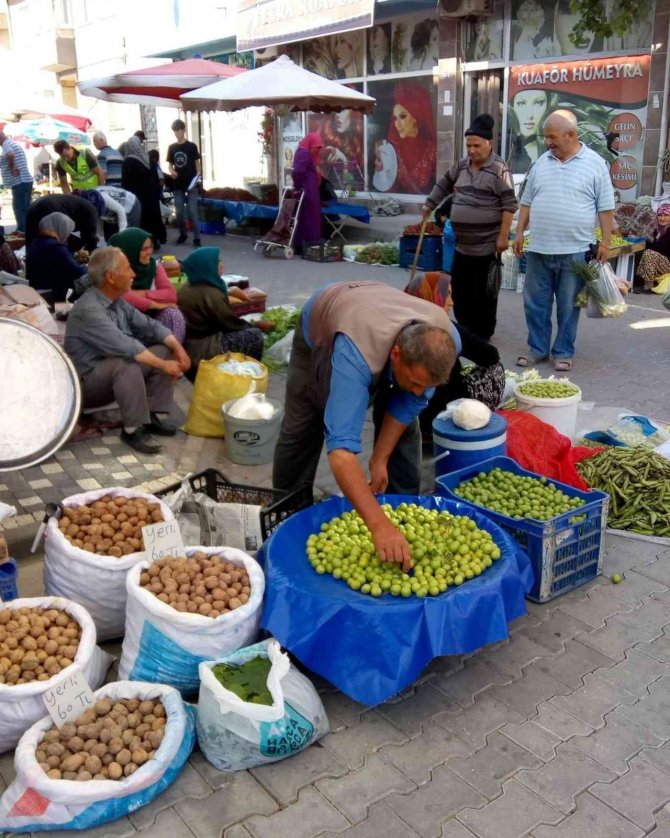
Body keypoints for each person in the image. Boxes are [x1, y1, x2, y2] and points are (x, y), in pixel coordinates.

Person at [273, 281, 459, 570]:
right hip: (326, 324)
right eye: (417, 382)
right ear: (395, 355)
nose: (421, 392)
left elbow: (408, 404)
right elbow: (341, 453)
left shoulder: (445, 341)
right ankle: (287, 516)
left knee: (404, 428)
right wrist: (378, 527)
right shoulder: (354, 354)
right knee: (304, 424)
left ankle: (403, 509)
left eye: (428, 386)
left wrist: (379, 459)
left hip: (379, 319)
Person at [513, 110, 615, 372]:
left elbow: (605, 208)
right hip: (539, 249)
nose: (548, 142)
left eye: (553, 137)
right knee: (535, 303)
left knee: (568, 306)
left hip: (575, 251)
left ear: (571, 134)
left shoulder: (595, 164)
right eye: (546, 137)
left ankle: (563, 351)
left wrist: (606, 243)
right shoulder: (541, 163)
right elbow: (526, 202)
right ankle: (537, 348)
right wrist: (519, 233)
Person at [64, 246, 191, 454]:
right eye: (128, 268)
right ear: (111, 277)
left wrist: (179, 349)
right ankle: (132, 429)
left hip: (112, 375)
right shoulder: (88, 310)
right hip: (87, 386)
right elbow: (126, 346)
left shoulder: (118, 302)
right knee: (127, 362)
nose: (133, 274)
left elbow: (151, 326)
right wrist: (163, 366)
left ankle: (151, 415)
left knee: (163, 349)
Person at [423, 114, 517, 340]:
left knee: (483, 293)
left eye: (477, 145)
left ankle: (483, 333)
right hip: (461, 244)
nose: (472, 150)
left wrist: (503, 236)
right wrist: (430, 203)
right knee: (461, 289)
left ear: (489, 144)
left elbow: (509, 205)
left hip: (486, 246)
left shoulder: (499, 170)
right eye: (468, 145)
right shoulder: (462, 165)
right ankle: (464, 329)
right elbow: (444, 183)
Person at [405, 272, 505, 444]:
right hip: (446, 415)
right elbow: (490, 355)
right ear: (433, 296)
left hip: (406, 415)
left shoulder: (400, 323)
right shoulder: (446, 329)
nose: (451, 302)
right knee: (495, 367)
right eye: (447, 295)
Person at [177, 247, 272, 379]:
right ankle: (247, 373)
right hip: (201, 349)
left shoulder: (189, 286)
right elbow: (230, 324)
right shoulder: (211, 294)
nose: (222, 265)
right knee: (254, 335)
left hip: (189, 344)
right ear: (207, 266)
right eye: (217, 262)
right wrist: (257, 325)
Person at [108, 227, 186, 343]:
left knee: (173, 314)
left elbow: (171, 295)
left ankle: (174, 353)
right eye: (144, 249)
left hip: (150, 319)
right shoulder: (113, 269)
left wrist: (141, 293)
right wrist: (154, 304)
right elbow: (122, 296)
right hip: (123, 322)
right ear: (131, 250)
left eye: (150, 247)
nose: (149, 252)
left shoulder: (154, 266)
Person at [25, 212, 87, 303]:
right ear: (60, 228)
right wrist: (89, 267)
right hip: (54, 295)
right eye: (67, 231)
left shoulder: (37, 242)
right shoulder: (56, 247)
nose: (68, 235)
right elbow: (77, 271)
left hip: (37, 290)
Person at [387, 82, 436, 194]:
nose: (397, 124)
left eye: (403, 116)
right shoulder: (394, 148)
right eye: (395, 118)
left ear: (416, 117)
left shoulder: (430, 149)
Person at [121, 136, 164, 250]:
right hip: (151, 196)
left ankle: (143, 244)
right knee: (151, 219)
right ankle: (155, 240)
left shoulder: (128, 161)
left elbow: (125, 182)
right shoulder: (147, 158)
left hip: (137, 196)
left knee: (141, 220)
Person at [167, 119, 201, 248]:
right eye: (174, 131)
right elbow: (170, 165)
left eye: (178, 130)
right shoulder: (172, 147)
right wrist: (172, 172)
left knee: (193, 211)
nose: (176, 133)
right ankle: (183, 234)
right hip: (178, 184)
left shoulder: (192, 146)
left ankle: (197, 238)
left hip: (191, 183)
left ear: (183, 130)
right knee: (179, 212)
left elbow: (197, 164)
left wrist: (198, 173)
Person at [25, 193, 98, 252]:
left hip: (35, 205)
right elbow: (91, 239)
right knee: (53, 245)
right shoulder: (92, 210)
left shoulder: (81, 204)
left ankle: (30, 267)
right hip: (49, 208)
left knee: (32, 243)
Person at [291, 133, 323, 253]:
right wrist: (299, 185)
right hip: (308, 191)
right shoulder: (305, 153)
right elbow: (297, 172)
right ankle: (310, 244)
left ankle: (302, 244)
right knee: (311, 218)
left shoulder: (301, 150)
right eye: (316, 147)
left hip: (306, 189)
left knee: (303, 218)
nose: (316, 150)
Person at [508, 89, 554, 174]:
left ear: (548, 105)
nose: (529, 115)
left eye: (539, 103)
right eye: (521, 103)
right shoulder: (507, 146)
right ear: (512, 106)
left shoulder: (554, 149)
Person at [0, 129, 33, 233]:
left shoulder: (6, 144)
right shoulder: (13, 143)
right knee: (26, 208)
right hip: (25, 181)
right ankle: (28, 231)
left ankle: (22, 231)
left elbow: (10, 155)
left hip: (19, 181)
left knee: (19, 208)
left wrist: (12, 167)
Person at [635, 204, 670, 293]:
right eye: (660, 215)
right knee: (643, 252)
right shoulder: (657, 230)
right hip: (662, 262)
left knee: (650, 253)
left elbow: (660, 248)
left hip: (668, 265)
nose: (662, 218)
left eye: (666, 215)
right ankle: (640, 282)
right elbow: (654, 246)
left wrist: (648, 242)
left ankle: (648, 286)